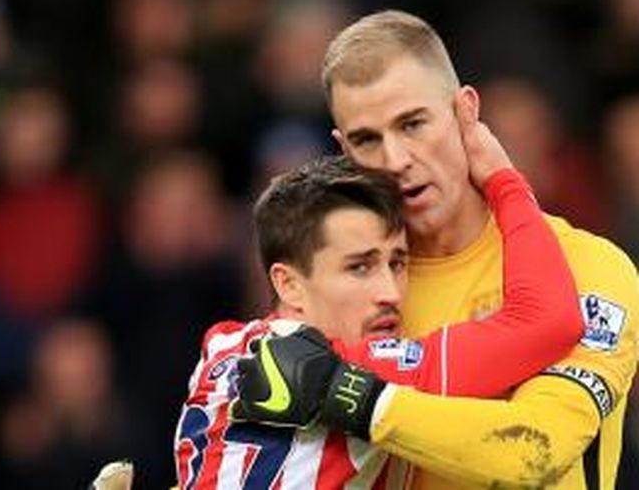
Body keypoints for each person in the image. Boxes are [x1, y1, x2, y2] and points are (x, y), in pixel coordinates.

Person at [237, 9, 639, 488]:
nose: (396, 160)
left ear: (465, 111)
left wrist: (357, 398)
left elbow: (538, 449)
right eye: (368, 139)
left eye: (412, 124)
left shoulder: (586, 265)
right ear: (344, 152)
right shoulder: (349, 290)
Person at [175, 135, 582, 488]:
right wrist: (503, 181)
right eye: (360, 267)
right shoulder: (350, 368)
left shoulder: (220, 346)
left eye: (398, 263)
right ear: (288, 283)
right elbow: (550, 320)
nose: (389, 292)